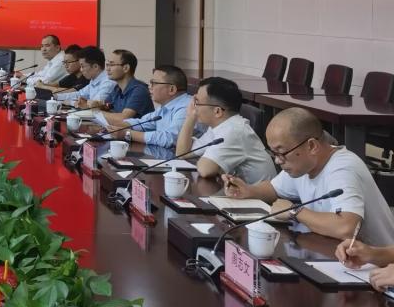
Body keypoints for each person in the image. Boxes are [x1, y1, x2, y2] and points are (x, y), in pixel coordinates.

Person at [223, 108, 394, 245]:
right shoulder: (303, 164)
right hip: (331, 251)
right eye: (274, 153)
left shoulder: (343, 169)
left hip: (376, 265)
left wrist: (294, 211)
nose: (277, 160)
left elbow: (346, 227)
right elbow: (274, 188)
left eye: (281, 152)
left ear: (312, 146)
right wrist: (248, 191)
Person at [175, 77, 276, 183]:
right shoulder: (219, 126)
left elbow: (205, 170)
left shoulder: (234, 131)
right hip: (240, 191)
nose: (194, 107)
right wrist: (190, 117)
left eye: (197, 102)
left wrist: (211, 162)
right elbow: (182, 153)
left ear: (217, 111)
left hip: (258, 193)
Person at [106, 65, 190, 148]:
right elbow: (142, 123)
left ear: (172, 89)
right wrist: (110, 126)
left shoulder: (187, 107)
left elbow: (170, 139)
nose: (149, 87)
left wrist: (127, 134)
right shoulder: (164, 107)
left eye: (154, 83)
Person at [96, 49, 154, 123]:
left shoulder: (139, 90)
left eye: (112, 65)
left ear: (126, 68)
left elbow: (123, 119)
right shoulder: (117, 88)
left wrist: (96, 112)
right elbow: (104, 107)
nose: (107, 69)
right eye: (107, 65)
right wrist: (95, 105)